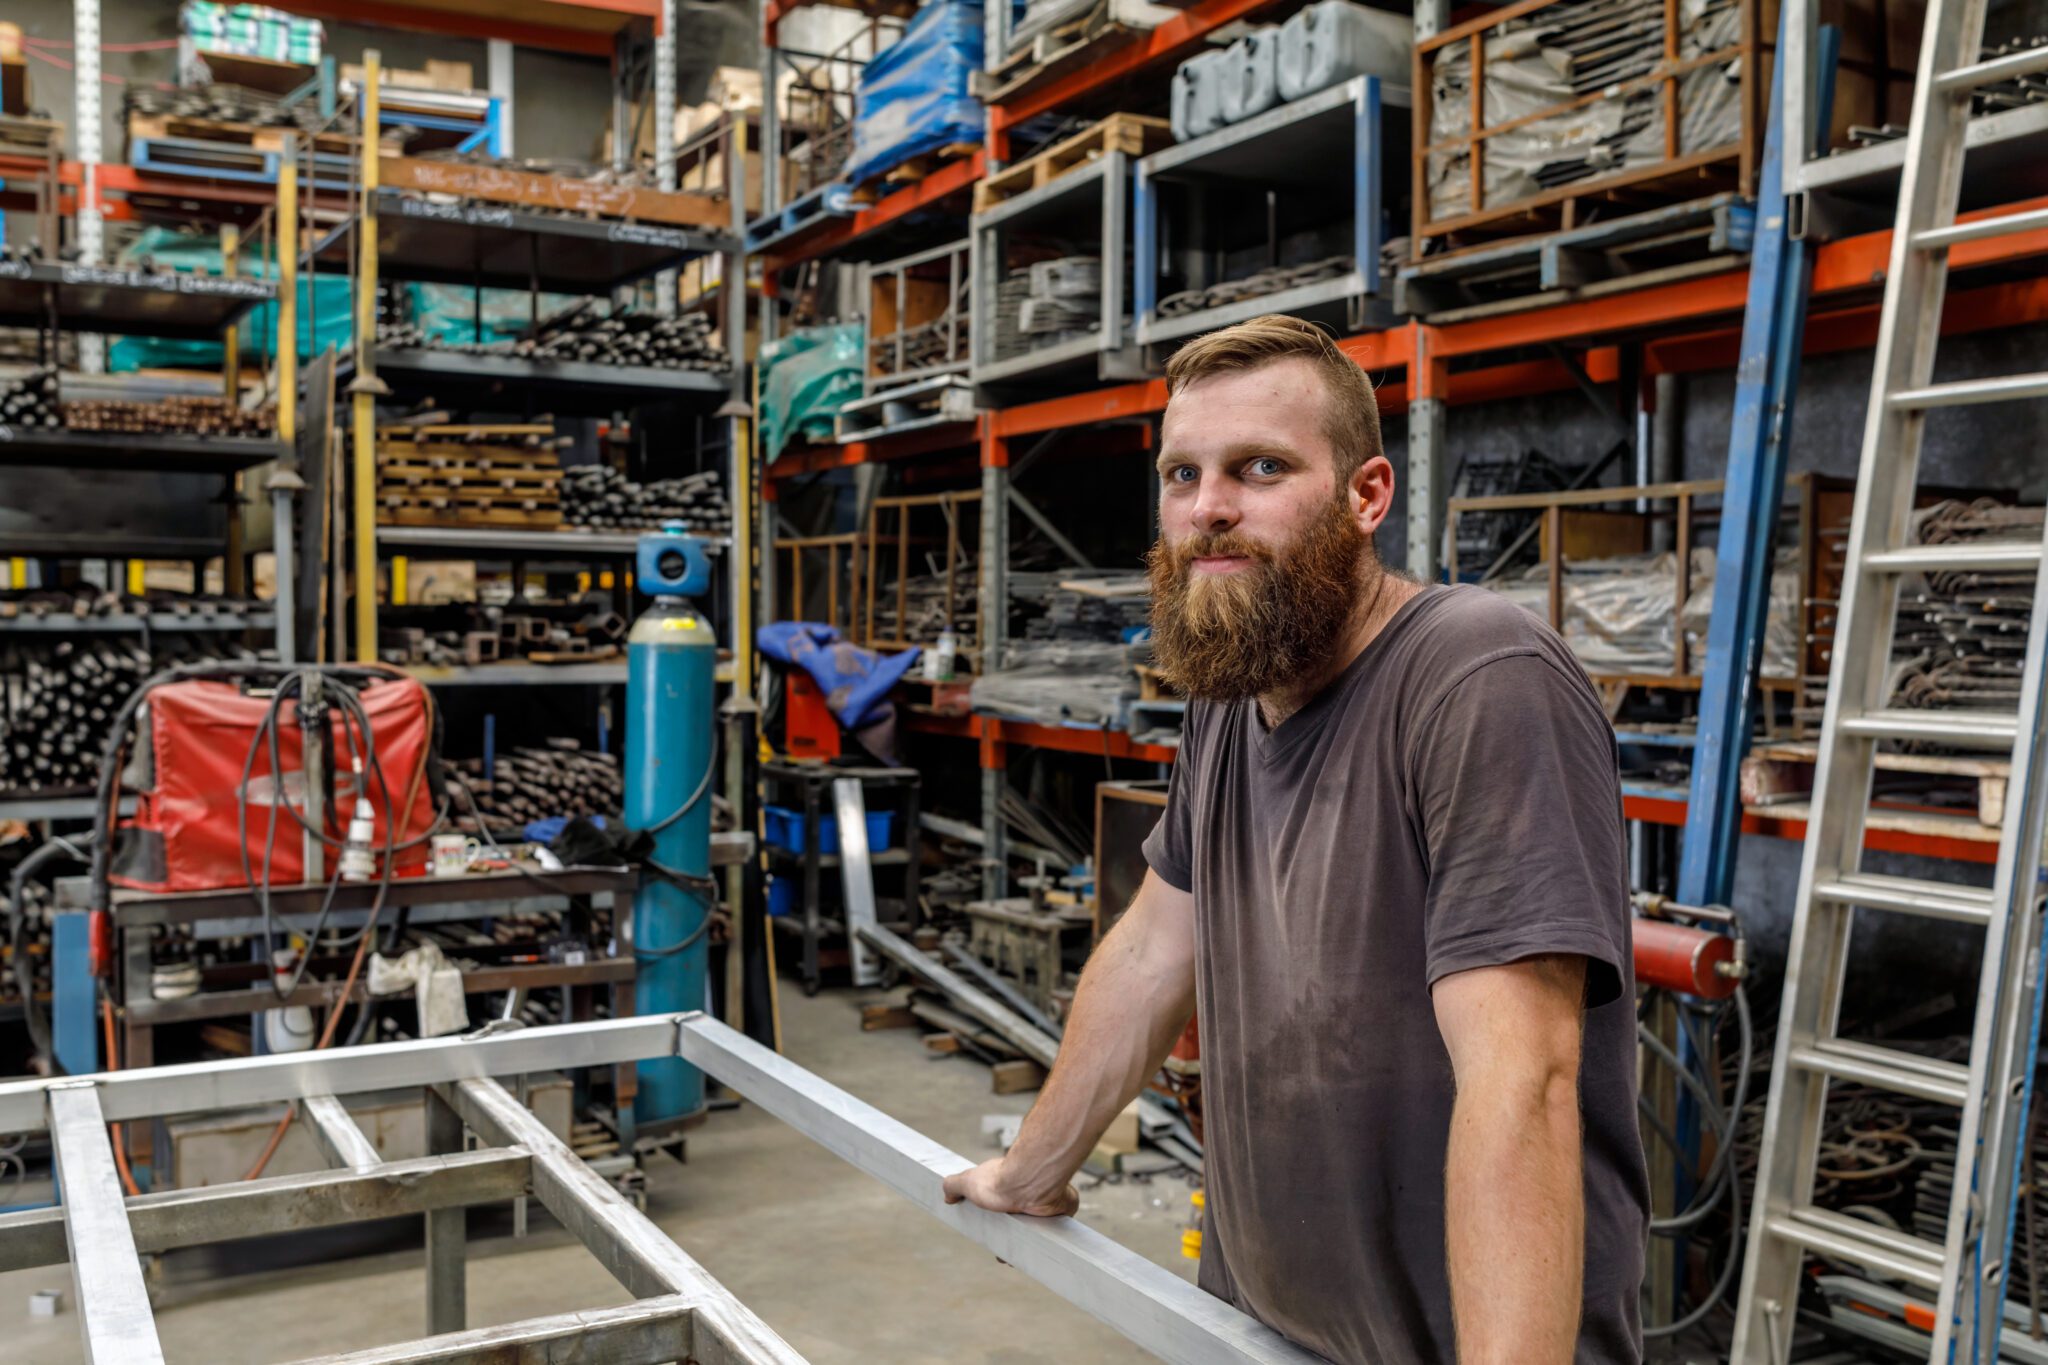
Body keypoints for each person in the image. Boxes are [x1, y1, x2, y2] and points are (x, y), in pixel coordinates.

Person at [942, 314, 1650, 1364]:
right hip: (1255, 1328)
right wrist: (1030, 1169)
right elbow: (1151, 951)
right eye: (1181, 476)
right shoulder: (1232, 692)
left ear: (1366, 495)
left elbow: (1524, 1079)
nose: (1208, 509)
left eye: (1258, 468)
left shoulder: (1476, 675)